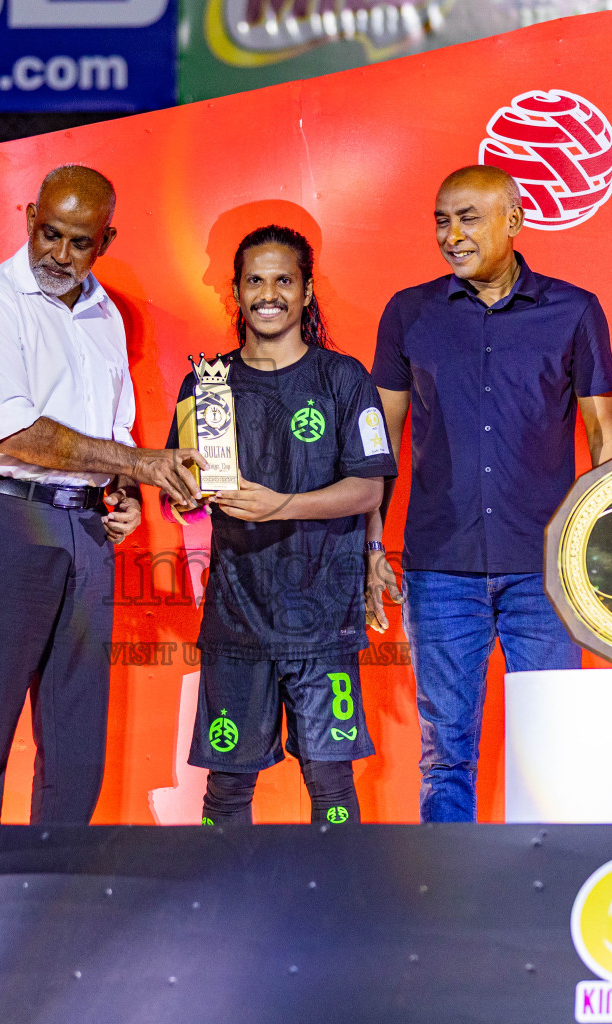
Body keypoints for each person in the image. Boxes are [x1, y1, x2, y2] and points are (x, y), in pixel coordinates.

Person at [0, 165, 206, 826]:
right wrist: (138, 462)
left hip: (85, 534)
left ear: (105, 240)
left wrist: (123, 490)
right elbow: (18, 433)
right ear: (28, 215)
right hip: (5, 520)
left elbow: (107, 427)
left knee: (76, 738)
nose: (59, 253)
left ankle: (54, 909)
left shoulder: (104, 314)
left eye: (78, 241)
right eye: (49, 233)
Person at [367, 165, 612, 823]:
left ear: (514, 220)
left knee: (553, 745)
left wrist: (608, 549)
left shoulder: (574, 310)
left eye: (467, 218)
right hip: (439, 570)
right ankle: (448, 897)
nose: (451, 236)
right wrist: (369, 544)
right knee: (445, 753)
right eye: (441, 220)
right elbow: (381, 441)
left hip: (546, 572)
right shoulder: (408, 313)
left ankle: (547, 897)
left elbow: (605, 435)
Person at [172, 225, 396, 826]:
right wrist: (183, 491)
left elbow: (367, 486)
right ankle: (224, 912)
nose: (268, 294)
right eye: (254, 281)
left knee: (331, 786)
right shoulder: (205, 384)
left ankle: (338, 910)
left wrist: (281, 505)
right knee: (226, 791)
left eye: (283, 280)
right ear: (237, 292)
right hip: (236, 616)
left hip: (322, 617)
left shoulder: (343, 379)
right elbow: (186, 491)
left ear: (306, 290)